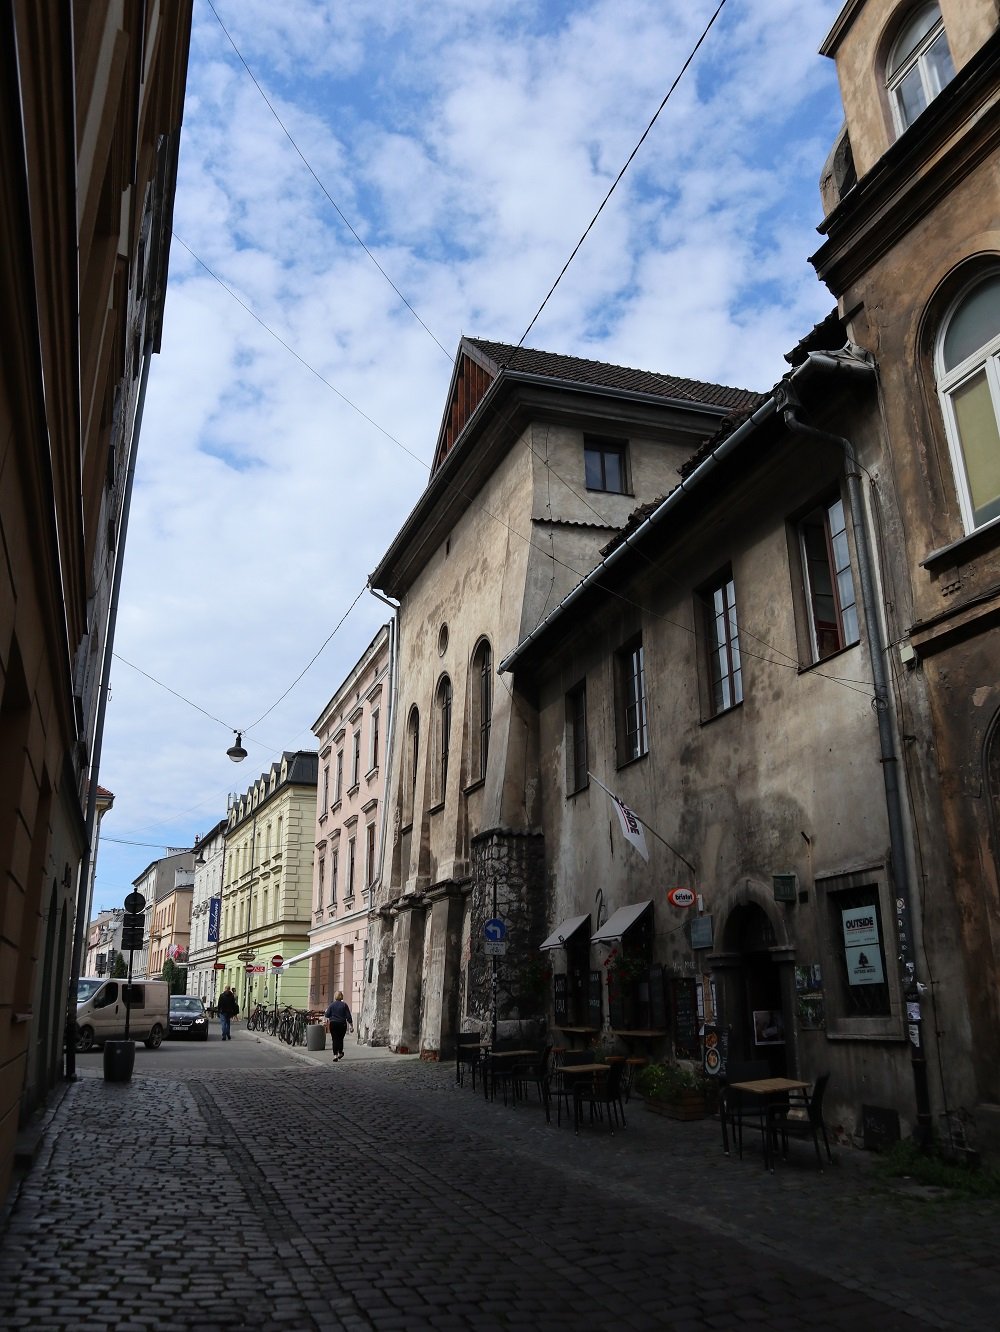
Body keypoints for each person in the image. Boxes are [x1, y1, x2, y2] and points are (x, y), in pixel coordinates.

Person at [324, 991, 353, 1060]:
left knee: (334, 1039)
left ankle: (335, 1055)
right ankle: (340, 1052)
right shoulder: (344, 1005)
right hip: (342, 1024)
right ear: (341, 996)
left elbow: (327, 1015)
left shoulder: (331, 1005)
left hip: (333, 1024)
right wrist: (351, 1025)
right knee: (340, 1039)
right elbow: (348, 1016)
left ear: (335, 996)